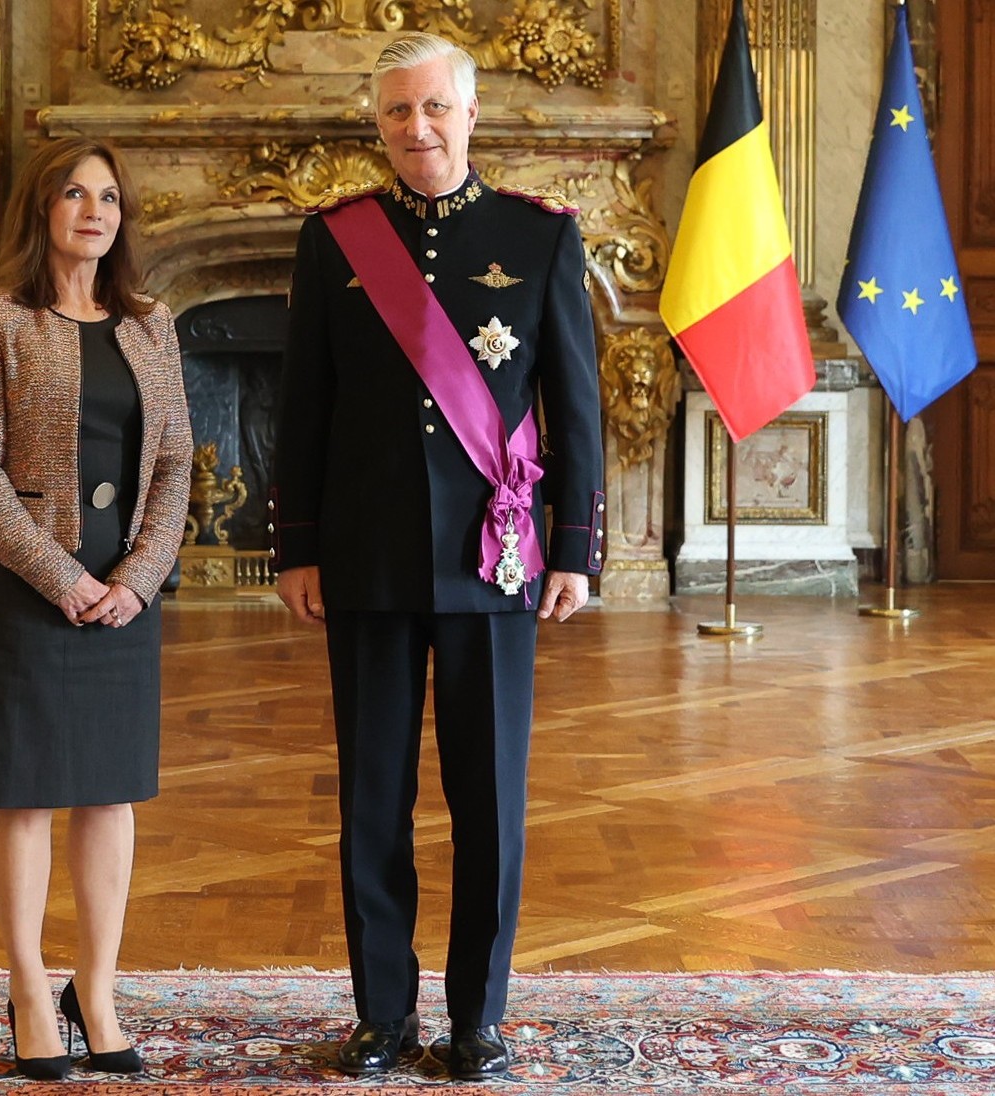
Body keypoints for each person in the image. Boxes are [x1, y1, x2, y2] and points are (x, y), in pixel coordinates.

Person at [269, 32, 605, 1081]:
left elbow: (574, 403)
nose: (416, 129)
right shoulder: (333, 239)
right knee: (372, 796)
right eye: (395, 112)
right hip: (365, 558)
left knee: (488, 801)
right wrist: (296, 546)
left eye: (432, 108)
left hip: (490, 558)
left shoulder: (537, 235)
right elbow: (303, 405)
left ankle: (477, 1018)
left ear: (470, 113)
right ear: (376, 125)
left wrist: (573, 546)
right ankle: (382, 1016)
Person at [0, 136, 192, 1080]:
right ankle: (25, 986)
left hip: (124, 594)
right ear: (41, 207)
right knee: (25, 792)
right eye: (75, 194)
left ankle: (95, 989)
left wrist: (138, 576)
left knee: (108, 791)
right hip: (29, 588)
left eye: (109, 198)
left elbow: (174, 461)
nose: (95, 212)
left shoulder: (151, 324)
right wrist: (63, 578)